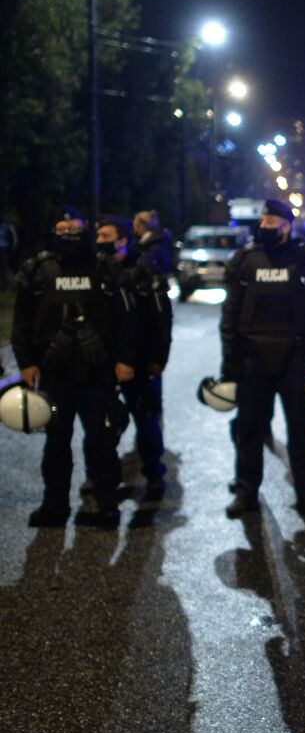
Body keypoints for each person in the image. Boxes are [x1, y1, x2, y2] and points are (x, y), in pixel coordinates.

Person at [219, 199, 305, 518]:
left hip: (294, 358)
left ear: (288, 225)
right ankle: (246, 492)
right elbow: (230, 313)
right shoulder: (245, 260)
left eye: (273, 224)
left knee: (301, 430)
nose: (266, 229)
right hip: (252, 359)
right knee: (249, 430)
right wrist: (229, 361)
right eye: (263, 223)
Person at [12, 206, 135, 528]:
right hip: (54, 371)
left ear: (86, 231)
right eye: (61, 229)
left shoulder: (104, 267)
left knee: (101, 441)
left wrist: (124, 359)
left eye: (74, 229)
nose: (67, 235)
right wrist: (25, 363)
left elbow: (124, 318)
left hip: (97, 371)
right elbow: (22, 321)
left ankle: (106, 506)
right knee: (56, 443)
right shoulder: (38, 270)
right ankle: (55, 506)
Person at [97, 216, 173, 500]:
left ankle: (153, 473)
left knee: (146, 416)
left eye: (106, 236)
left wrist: (158, 358)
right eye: (98, 236)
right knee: (102, 422)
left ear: (123, 240)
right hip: (102, 359)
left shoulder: (144, 270)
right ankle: (102, 476)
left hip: (140, 360)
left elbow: (161, 318)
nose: (100, 241)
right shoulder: (96, 270)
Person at [129, 210, 175, 277]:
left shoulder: (152, 244)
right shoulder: (160, 240)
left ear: (142, 226)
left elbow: (144, 268)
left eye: (136, 226)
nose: (135, 230)